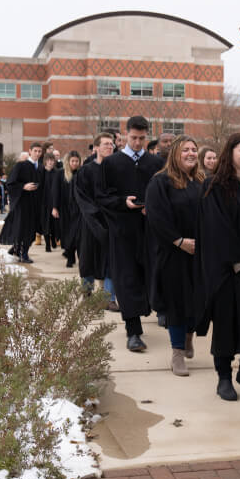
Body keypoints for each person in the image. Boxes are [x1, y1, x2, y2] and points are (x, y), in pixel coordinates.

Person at [195, 132, 240, 401]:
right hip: (225, 269)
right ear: (230, 152)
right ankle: (224, 377)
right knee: (225, 324)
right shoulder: (214, 186)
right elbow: (217, 228)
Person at [101, 116, 164, 351]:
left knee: (152, 274)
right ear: (125, 134)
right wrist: (122, 202)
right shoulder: (112, 163)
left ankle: (159, 310)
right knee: (126, 279)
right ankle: (133, 331)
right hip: (123, 231)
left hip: (150, 230)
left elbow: (164, 193)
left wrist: (153, 207)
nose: (137, 142)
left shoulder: (155, 163)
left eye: (142, 138)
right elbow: (103, 197)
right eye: (134, 138)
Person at [146, 135, 204, 377]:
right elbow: (156, 216)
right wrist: (179, 241)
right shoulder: (161, 182)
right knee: (177, 303)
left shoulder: (201, 181)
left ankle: (189, 336)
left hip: (200, 253)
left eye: (194, 149)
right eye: (185, 150)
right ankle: (177, 352)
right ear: (175, 154)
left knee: (198, 302)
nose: (191, 153)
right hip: (173, 253)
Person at [74, 134, 117, 306]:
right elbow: (81, 196)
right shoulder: (86, 170)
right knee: (88, 258)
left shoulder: (117, 170)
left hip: (112, 221)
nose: (109, 147)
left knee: (111, 260)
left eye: (111, 144)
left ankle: (109, 299)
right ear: (96, 148)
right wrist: (96, 213)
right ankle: (87, 295)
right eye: (106, 144)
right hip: (90, 221)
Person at [0, 142, 43, 263]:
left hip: (35, 204)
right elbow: (10, 183)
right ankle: (23, 254)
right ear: (30, 151)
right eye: (35, 151)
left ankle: (16, 250)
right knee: (23, 229)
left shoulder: (40, 168)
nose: (37, 153)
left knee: (32, 230)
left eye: (39, 151)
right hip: (22, 204)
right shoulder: (21, 166)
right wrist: (23, 186)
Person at [56, 151, 82, 267]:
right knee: (67, 235)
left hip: (78, 209)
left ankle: (80, 259)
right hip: (65, 209)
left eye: (77, 161)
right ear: (68, 162)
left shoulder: (81, 173)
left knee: (78, 235)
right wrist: (54, 207)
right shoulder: (61, 174)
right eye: (73, 161)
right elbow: (55, 191)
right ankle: (70, 258)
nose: (75, 163)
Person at [40, 154, 60, 251]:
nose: (50, 162)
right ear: (45, 161)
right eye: (48, 160)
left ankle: (53, 239)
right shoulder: (41, 172)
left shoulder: (57, 172)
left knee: (54, 223)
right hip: (44, 202)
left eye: (52, 160)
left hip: (54, 201)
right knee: (45, 223)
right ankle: (47, 244)